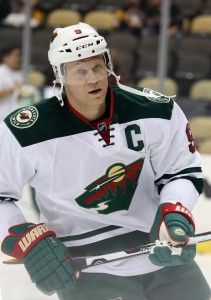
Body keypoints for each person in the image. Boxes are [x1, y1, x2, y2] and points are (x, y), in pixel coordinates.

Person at [0, 22, 210, 300]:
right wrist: (24, 238)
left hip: (165, 258)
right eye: (80, 71)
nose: (92, 79)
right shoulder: (25, 131)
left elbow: (181, 170)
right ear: (60, 75)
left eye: (97, 67)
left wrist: (174, 210)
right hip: (88, 272)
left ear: (108, 64)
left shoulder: (156, 110)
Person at [0, 44, 23, 122]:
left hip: (14, 118)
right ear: (6, 57)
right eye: (16, 55)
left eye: (19, 56)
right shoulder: (1, 72)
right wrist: (11, 89)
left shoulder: (18, 76)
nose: (19, 59)